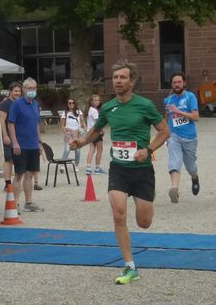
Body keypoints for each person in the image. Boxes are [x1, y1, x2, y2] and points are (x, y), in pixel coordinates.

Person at [70, 61, 170, 284]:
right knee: (118, 214)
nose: (117, 81)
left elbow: (165, 131)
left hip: (142, 170)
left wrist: (149, 149)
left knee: (144, 222)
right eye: (115, 78)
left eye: (123, 77)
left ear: (132, 81)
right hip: (119, 169)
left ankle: (142, 212)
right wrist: (83, 141)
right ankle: (129, 266)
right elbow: (96, 130)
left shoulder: (145, 105)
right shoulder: (107, 108)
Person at [8, 77, 45, 212]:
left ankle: (28, 203)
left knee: (30, 174)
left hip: (33, 145)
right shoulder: (17, 105)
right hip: (20, 146)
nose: (32, 91)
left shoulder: (35, 105)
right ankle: (14, 204)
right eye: (29, 88)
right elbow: (11, 124)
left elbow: (36, 125)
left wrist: (39, 143)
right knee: (19, 174)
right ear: (24, 89)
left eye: (34, 88)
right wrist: (15, 142)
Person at [164, 71, 200, 203]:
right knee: (174, 160)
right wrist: (165, 132)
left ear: (184, 83)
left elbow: (196, 117)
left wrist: (179, 111)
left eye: (179, 82)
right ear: (172, 85)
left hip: (189, 137)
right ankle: (174, 188)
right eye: (174, 82)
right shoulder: (168, 100)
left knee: (190, 167)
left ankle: (194, 177)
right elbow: (167, 117)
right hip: (174, 136)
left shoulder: (190, 97)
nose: (177, 84)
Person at [0, 81, 22, 191]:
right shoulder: (6, 103)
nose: (17, 93)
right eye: (15, 91)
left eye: (19, 91)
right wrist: (5, 135)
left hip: (17, 136)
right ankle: (7, 183)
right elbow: (2, 120)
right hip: (8, 135)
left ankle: (12, 182)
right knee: (8, 159)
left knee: (14, 159)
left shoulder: (19, 103)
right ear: (10, 92)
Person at [60, 98, 85, 172]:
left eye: (73, 103)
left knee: (77, 151)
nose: (71, 104)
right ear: (67, 104)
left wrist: (84, 129)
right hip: (69, 134)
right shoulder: (65, 113)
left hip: (77, 134)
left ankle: (76, 165)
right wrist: (66, 133)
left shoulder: (79, 112)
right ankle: (62, 165)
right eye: (69, 103)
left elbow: (83, 121)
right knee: (67, 150)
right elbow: (62, 125)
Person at [85, 94, 107, 175]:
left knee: (92, 149)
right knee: (99, 150)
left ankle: (88, 168)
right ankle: (97, 168)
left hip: (90, 132)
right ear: (91, 101)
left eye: (98, 100)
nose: (97, 102)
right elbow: (99, 122)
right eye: (95, 100)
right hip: (96, 132)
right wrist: (102, 129)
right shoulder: (94, 110)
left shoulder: (90, 109)